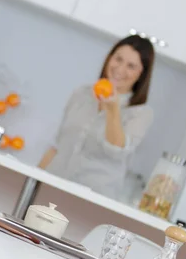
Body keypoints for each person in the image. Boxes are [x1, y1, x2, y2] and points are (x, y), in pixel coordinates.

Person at [38, 35, 155, 199]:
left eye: (131, 66)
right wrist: (35, 180)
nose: (120, 69)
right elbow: (57, 145)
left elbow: (117, 150)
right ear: (109, 58)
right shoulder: (82, 94)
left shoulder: (141, 113)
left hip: (93, 200)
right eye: (118, 59)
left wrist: (113, 109)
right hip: (52, 186)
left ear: (141, 74)